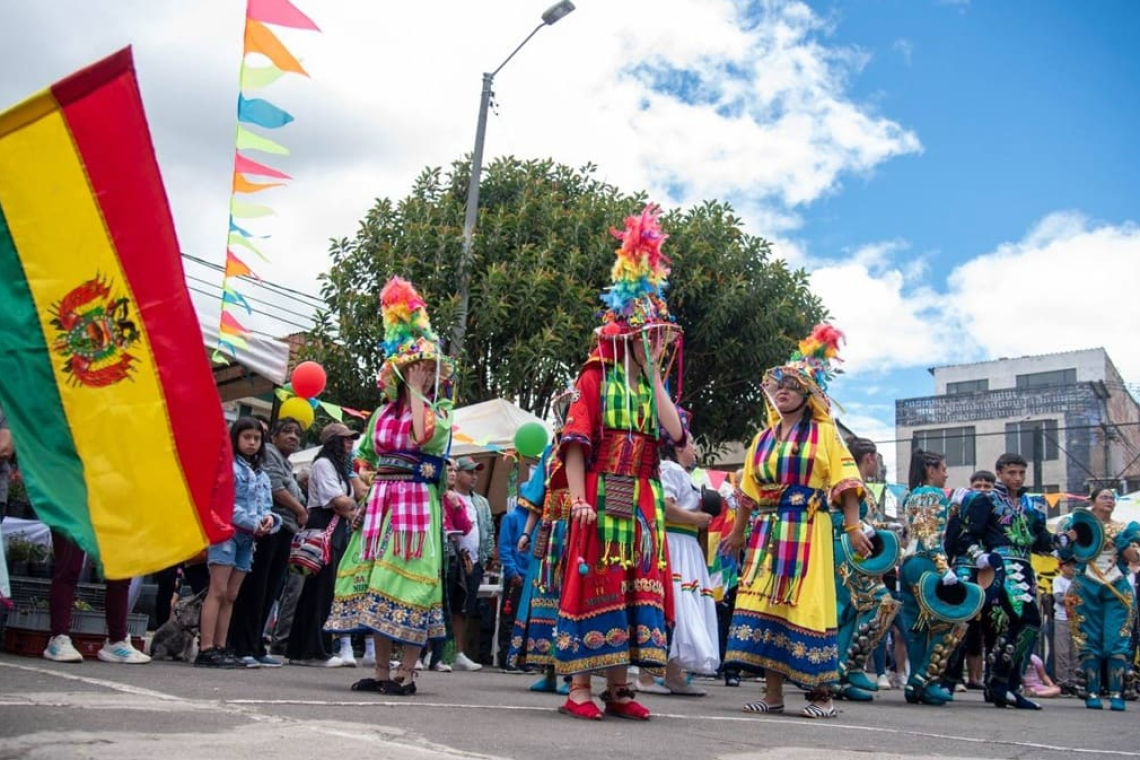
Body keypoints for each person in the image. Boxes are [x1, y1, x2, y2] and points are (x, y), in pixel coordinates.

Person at [553, 204, 687, 721]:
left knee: (635, 586)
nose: (656, 343)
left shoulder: (654, 388)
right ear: (628, 335)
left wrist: (655, 375)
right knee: (596, 583)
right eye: (648, 336)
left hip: (643, 498)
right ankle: (579, 688)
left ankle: (620, 688)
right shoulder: (595, 377)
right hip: (602, 491)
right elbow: (575, 443)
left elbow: (675, 435)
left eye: (660, 337)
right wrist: (580, 499)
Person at [722, 324, 871, 720]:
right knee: (767, 604)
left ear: (808, 393)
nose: (783, 389)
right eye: (779, 385)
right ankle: (773, 695)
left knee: (806, 605)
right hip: (767, 532)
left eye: (792, 384)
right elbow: (747, 491)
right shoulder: (763, 438)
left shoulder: (825, 434)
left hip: (808, 529)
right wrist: (737, 532)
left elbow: (846, 482)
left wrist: (854, 529)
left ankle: (821, 697)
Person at [324, 276, 453, 695]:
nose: (425, 377)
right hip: (381, 504)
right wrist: (364, 486)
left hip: (415, 506)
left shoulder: (439, 412)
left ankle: (407, 673)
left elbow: (422, 436)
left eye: (429, 372)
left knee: (410, 583)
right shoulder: (381, 415)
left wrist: (418, 393)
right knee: (376, 581)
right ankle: (381, 671)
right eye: (417, 371)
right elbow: (365, 455)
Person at [960, 453, 1056, 710]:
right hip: (1001, 568)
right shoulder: (986, 500)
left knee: (1018, 626)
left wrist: (1063, 540)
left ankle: (1002, 685)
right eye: (1012, 473)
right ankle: (1003, 682)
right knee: (1027, 620)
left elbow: (1041, 541)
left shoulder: (1031, 504)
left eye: (1021, 473)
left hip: (1027, 568)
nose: (1017, 478)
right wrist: (979, 557)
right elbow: (967, 536)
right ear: (1000, 472)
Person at [897, 449, 983, 705]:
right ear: (931, 470)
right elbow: (930, 536)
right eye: (943, 469)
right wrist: (945, 569)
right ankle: (925, 680)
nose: (946, 474)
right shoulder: (934, 495)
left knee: (917, 626)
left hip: (909, 563)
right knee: (947, 621)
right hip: (927, 563)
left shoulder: (910, 496)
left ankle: (915, 685)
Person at [195, 416, 280, 668]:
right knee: (217, 591)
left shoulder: (262, 475)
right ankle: (207, 647)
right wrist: (254, 523)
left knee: (231, 595)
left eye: (257, 438)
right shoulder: (228, 468)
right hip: (226, 535)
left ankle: (222, 646)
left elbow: (267, 506)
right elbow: (224, 505)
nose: (252, 443)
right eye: (247, 437)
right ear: (236, 438)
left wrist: (269, 521)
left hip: (249, 539)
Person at [505, 388, 573, 693]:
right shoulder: (550, 451)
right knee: (543, 599)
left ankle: (570, 675)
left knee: (569, 600)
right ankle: (548, 671)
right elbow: (537, 495)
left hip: (576, 529)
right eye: (567, 409)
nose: (570, 414)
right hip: (549, 531)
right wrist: (525, 532)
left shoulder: (588, 449)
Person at [228, 417, 307, 668]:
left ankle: (256, 644)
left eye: (297, 433)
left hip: (281, 528)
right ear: (273, 437)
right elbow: (276, 489)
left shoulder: (284, 461)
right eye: (287, 431)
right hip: (266, 530)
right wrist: (300, 510)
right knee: (256, 589)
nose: (293, 437)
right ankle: (242, 645)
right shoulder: (269, 456)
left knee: (270, 591)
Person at [287, 422, 364, 667]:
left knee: (328, 590)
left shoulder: (342, 468)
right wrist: (350, 507)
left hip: (336, 527)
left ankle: (309, 649)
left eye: (352, 439)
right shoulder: (323, 464)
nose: (350, 443)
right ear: (333, 441)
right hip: (324, 526)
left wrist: (349, 505)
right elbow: (338, 500)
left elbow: (357, 495)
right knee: (318, 590)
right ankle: (312, 651)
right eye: (345, 439)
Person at [649, 424, 719, 694]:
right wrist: (697, 519)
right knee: (674, 602)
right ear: (678, 447)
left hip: (686, 546)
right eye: (690, 443)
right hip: (675, 544)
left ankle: (673, 674)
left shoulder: (683, 473)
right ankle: (647, 675)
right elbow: (664, 507)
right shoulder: (670, 469)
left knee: (684, 602)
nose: (695, 449)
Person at [1056, 487, 1140, 711]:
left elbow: (1134, 559)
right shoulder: (1077, 525)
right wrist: (1069, 540)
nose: (1109, 501)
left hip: (1117, 587)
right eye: (1104, 497)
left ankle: (1116, 692)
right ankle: (1091, 691)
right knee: (1088, 638)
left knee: (1117, 640)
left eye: (1112, 498)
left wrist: (1123, 543)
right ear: (1091, 501)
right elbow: (1064, 555)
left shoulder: (1124, 527)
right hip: (1086, 585)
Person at [832, 437, 901, 701]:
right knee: (873, 602)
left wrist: (877, 529)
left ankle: (848, 669)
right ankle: (844, 670)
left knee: (854, 610)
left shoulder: (861, 485)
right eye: (876, 459)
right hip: (842, 548)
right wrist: (859, 528)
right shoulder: (843, 478)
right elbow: (831, 514)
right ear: (870, 457)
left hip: (858, 550)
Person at [450, 456, 494, 671]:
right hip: (451, 557)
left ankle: (459, 652)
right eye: (470, 472)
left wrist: (484, 558)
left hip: (474, 561)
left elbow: (489, 530)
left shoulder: (481, 502)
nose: (474, 476)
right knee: (443, 604)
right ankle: (434, 651)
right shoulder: (446, 497)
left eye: (476, 472)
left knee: (465, 608)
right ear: (456, 474)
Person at [497, 495, 531, 672]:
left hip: (531, 576)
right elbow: (504, 547)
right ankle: (506, 657)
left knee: (529, 619)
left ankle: (523, 658)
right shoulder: (511, 518)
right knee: (510, 617)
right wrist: (512, 571)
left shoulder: (536, 520)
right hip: (516, 575)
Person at [1051, 558, 1077, 693]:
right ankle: (1062, 682)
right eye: (1068, 565)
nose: (1072, 567)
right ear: (1062, 566)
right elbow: (1059, 598)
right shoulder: (1058, 580)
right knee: (1062, 652)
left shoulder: (1079, 581)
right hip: (1062, 618)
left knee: (1075, 652)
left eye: (1073, 565)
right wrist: (1072, 599)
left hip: (1077, 620)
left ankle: (1074, 681)